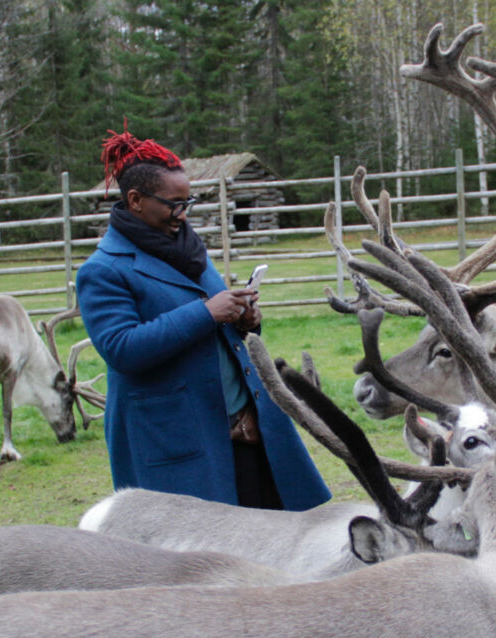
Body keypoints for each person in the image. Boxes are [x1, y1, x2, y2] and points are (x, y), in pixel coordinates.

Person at [76, 125, 331, 511]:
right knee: (198, 555)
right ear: (136, 200)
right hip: (178, 437)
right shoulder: (103, 270)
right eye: (173, 204)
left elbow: (214, 325)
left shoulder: (188, 248)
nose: (183, 213)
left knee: (268, 534)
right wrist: (207, 312)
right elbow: (122, 349)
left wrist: (244, 321)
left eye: (188, 202)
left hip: (244, 425)